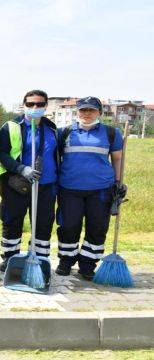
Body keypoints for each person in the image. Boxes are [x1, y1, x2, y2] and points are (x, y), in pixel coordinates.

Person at [55, 96, 126, 280]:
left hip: (101, 189)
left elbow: (117, 159)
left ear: (99, 113)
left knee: (97, 227)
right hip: (69, 188)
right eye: (83, 110)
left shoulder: (112, 133)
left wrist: (118, 183)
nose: (86, 114)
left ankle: (87, 265)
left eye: (91, 110)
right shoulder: (64, 132)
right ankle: (66, 261)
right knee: (69, 226)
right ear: (77, 112)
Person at [0, 90, 59, 272]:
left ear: (46, 106)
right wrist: (21, 168)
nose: (35, 107)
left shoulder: (52, 128)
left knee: (43, 222)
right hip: (16, 183)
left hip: (46, 184)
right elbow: (1, 153)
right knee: (12, 220)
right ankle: (10, 258)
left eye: (39, 104)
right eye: (30, 104)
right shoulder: (11, 126)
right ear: (24, 105)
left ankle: (38, 259)